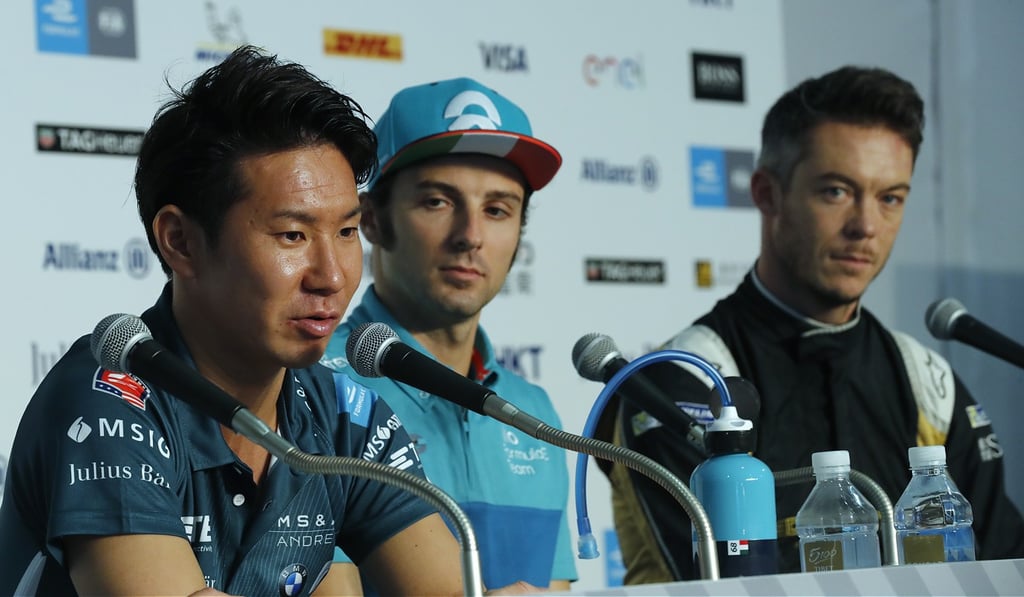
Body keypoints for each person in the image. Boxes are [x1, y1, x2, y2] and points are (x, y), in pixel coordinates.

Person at [0, 45, 514, 597]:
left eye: (345, 232)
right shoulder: (110, 397)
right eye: (292, 235)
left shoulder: (343, 416)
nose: (332, 276)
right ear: (181, 242)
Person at [608, 65, 1024, 583]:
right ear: (766, 194)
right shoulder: (687, 379)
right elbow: (708, 583)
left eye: (890, 197)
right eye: (836, 191)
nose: (866, 226)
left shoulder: (926, 379)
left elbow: (1002, 568)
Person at [321, 77, 578, 591]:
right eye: (438, 202)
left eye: (498, 209)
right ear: (371, 219)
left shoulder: (535, 413)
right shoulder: (314, 387)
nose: (471, 236)